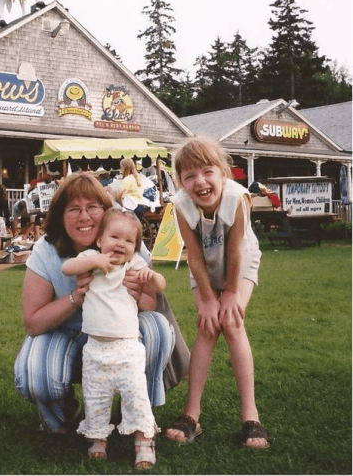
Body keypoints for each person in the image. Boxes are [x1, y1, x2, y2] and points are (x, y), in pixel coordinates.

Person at [14, 173, 176, 438]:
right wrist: (74, 299)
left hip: (118, 336)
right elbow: (33, 323)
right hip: (65, 334)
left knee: (158, 328)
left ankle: (135, 412)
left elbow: (152, 302)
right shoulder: (46, 250)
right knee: (36, 374)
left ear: (106, 211)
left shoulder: (125, 239)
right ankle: (62, 415)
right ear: (59, 215)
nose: (84, 217)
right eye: (74, 209)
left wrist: (137, 294)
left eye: (92, 207)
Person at [165, 137, 270, 449]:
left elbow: (236, 249)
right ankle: (191, 415)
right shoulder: (180, 204)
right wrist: (209, 299)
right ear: (180, 181)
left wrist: (230, 294)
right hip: (206, 267)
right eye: (189, 176)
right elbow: (194, 256)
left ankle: (251, 417)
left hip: (241, 263)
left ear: (224, 171)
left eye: (208, 171)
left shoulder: (238, 198)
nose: (200, 181)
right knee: (207, 326)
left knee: (232, 323)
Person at [62, 208, 166, 469]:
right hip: (95, 348)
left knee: (136, 396)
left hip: (128, 348)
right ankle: (98, 439)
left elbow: (161, 284)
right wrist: (95, 263)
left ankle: (144, 441)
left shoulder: (134, 265)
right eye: (114, 237)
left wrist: (151, 277)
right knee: (95, 396)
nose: (120, 244)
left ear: (136, 248)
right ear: (100, 240)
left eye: (129, 241)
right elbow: (67, 267)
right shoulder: (91, 258)